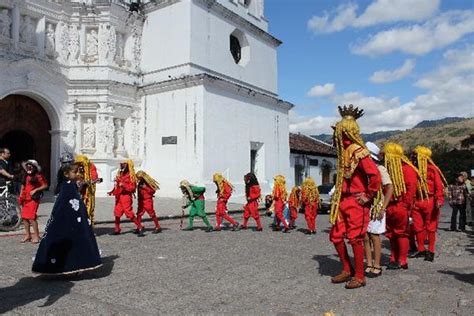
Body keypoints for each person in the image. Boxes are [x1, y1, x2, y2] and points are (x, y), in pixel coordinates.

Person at [329, 105, 382, 289]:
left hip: (355, 201)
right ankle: (347, 269)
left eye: (339, 131)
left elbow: (375, 175)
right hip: (341, 201)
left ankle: (360, 276)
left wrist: (367, 196)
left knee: (355, 239)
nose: (336, 134)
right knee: (336, 236)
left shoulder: (359, 152)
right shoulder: (342, 154)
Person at [32, 163, 102, 275]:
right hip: (67, 221)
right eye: (75, 172)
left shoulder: (71, 186)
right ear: (66, 174)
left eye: (79, 171)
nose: (78, 174)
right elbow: (64, 206)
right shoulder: (67, 187)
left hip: (74, 221)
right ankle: (67, 266)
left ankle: (73, 265)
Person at [382, 143, 420, 271]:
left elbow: (411, 189)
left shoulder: (407, 169)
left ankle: (402, 260)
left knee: (401, 234)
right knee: (391, 234)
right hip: (390, 206)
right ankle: (393, 258)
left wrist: (405, 205)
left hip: (400, 206)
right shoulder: (389, 170)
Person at [410, 146, 447, 262]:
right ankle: (421, 249)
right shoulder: (413, 169)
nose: (414, 157)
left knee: (430, 227)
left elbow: (438, 187)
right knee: (417, 227)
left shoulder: (432, 169)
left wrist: (439, 200)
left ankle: (430, 251)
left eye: (416, 155)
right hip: (416, 202)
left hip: (429, 201)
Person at [364, 142, 393, 277]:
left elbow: (389, 188)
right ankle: (369, 263)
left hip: (377, 206)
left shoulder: (380, 169)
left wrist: (383, 207)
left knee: (375, 235)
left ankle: (377, 264)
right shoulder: (363, 169)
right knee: (365, 236)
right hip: (365, 206)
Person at [108, 160, 143, 236]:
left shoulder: (131, 176)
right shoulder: (120, 174)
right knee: (117, 213)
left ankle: (140, 227)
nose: (122, 166)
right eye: (121, 164)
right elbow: (117, 186)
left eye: (123, 164)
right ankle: (117, 229)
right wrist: (112, 191)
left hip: (126, 196)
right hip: (119, 196)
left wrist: (124, 186)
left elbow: (133, 188)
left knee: (129, 213)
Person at [18, 160, 48, 243]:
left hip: (33, 199)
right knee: (24, 218)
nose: (29, 167)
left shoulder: (38, 176)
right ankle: (28, 235)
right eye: (28, 165)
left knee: (32, 218)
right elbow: (23, 185)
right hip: (25, 198)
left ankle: (36, 236)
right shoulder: (25, 175)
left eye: (31, 166)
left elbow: (45, 185)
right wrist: (20, 195)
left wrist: (35, 190)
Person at [75, 155, 102, 226]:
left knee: (87, 210)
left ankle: (87, 227)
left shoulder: (91, 167)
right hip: (78, 192)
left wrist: (86, 182)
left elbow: (94, 178)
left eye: (81, 163)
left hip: (88, 193)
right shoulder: (76, 167)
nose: (79, 165)